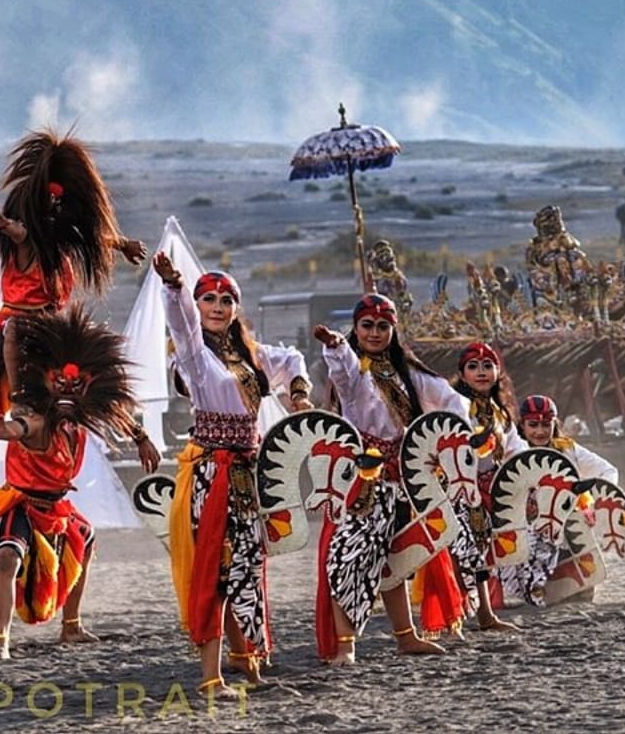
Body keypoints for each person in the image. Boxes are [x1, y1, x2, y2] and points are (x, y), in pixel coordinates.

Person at [152, 252, 308, 697]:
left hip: (247, 471)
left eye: (226, 300)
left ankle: (251, 664)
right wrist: (174, 286)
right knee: (217, 569)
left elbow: (294, 358)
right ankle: (210, 676)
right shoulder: (195, 356)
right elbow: (181, 325)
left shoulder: (251, 356)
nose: (218, 307)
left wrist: (299, 397)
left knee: (247, 567)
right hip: (212, 473)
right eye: (208, 300)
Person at [0, 308, 160, 659]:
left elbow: (115, 411)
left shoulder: (80, 419)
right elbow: (15, 428)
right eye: (61, 384)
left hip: (57, 506)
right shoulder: (34, 416)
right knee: (7, 556)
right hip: (21, 503)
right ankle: (0, 641)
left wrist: (142, 437)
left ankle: (71, 626)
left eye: (77, 386)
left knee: (84, 538)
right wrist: (0, 425)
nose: (68, 391)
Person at [314, 293, 464, 661]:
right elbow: (343, 371)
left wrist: (448, 442)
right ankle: (345, 646)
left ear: (394, 329)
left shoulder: (409, 374)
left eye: (383, 326)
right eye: (367, 325)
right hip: (360, 479)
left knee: (393, 558)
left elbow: (451, 402)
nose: (375, 333)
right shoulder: (355, 373)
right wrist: (336, 348)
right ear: (356, 328)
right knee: (347, 556)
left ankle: (406, 636)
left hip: (402, 479)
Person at [0, 130, 146, 417]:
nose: (53, 208)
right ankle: (19, 397)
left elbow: (93, 238)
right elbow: (19, 233)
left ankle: (116, 408)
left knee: (92, 346)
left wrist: (123, 245)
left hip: (52, 321)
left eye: (58, 203)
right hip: (19, 320)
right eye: (47, 202)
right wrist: (3, 225)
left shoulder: (60, 240)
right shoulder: (26, 242)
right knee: (13, 331)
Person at [433, 342, 523, 637]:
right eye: (473, 366)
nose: (481, 372)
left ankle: (484, 613)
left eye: (487, 366)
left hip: (486, 492)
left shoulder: (500, 413)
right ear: (461, 373)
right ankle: (458, 614)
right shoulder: (454, 405)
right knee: (461, 553)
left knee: (479, 553)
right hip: (456, 488)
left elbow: (513, 449)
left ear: (498, 372)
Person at [498, 394, 618, 608]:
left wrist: (594, 505)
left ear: (555, 424)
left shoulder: (568, 449)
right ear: (522, 425)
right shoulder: (511, 450)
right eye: (533, 425)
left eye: (546, 424)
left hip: (564, 525)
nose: (540, 431)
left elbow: (607, 471)